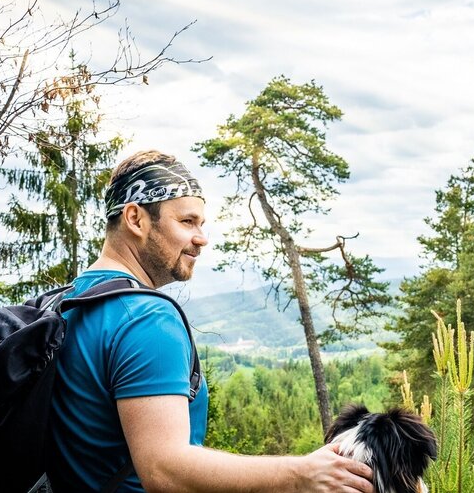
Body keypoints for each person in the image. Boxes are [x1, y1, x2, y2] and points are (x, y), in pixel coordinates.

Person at [47, 150, 375, 493]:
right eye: (187, 222)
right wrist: (301, 473)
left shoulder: (66, 301)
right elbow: (164, 470)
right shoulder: (146, 319)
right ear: (135, 219)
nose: (202, 238)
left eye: (202, 224)